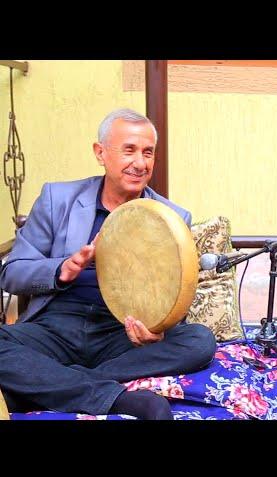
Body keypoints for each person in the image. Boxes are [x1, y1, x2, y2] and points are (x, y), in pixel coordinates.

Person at [0, 108, 216, 419]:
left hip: (122, 333)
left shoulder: (171, 217)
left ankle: (52, 382)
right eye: (129, 150)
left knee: (200, 341)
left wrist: (157, 330)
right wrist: (64, 269)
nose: (140, 163)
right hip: (56, 326)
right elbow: (12, 272)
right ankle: (116, 398)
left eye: (148, 153)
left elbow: (175, 296)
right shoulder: (57, 198)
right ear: (100, 153)